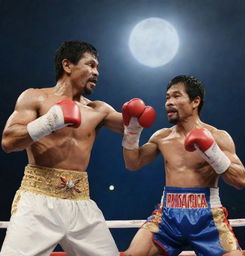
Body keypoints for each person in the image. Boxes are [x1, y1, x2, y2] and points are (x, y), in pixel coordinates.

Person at [0, 41, 155, 256]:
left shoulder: (97, 109)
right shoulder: (35, 97)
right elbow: (8, 141)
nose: (96, 72)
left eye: (98, 67)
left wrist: (136, 121)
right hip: (37, 201)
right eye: (91, 65)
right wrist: (51, 120)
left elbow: (129, 125)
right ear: (67, 65)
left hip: (81, 203)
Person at [120, 75, 245, 256]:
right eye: (167, 97)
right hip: (168, 217)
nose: (169, 102)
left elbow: (240, 180)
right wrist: (131, 131)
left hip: (208, 217)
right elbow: (133, 163)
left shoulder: (218, 137)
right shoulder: (162, 136)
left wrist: (213, 152)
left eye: (176, 96)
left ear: (195, 101)